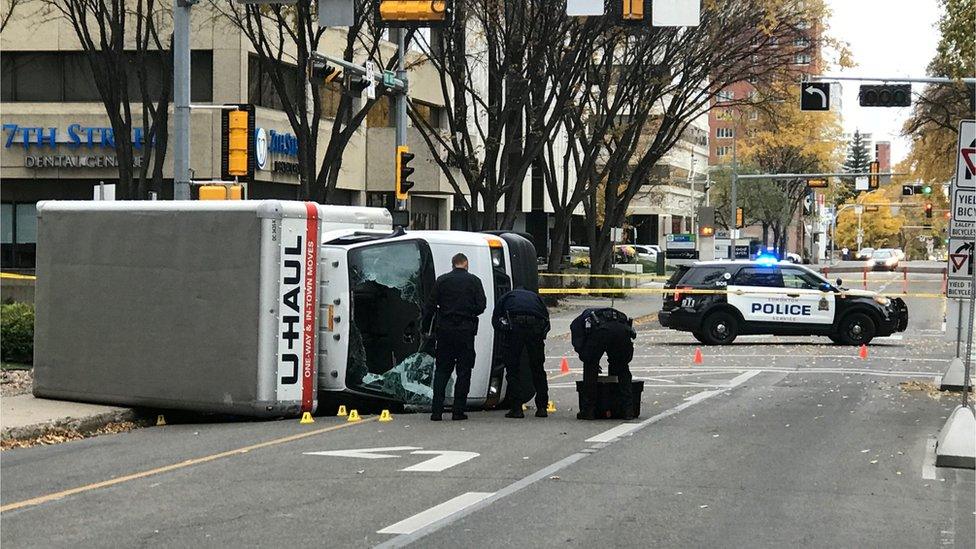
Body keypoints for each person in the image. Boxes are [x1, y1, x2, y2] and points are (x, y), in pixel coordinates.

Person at [422, 253, 487, 421]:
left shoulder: (442, 281)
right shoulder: (474, 281)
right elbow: (481, 305)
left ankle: (437, 411)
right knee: (464, 372)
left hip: (445, 331)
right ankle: (458, 411)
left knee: (442, 370)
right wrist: (468, 311)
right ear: (466, 264)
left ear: (453, 264)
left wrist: (425, 328)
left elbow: (429, 306)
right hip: (466, 332)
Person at [492, 286, 550, 418]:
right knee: (538, 368)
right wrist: (541, 335)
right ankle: (542, 407)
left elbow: (496, 319)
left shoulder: (507, 297)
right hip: (535, 328)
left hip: (514, 329)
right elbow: (546, 319)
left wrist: (504, 332)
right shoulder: (536, 298)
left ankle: (516, 408)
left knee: (512, 369)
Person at [570, 308, 637, 420]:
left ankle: (589, 410)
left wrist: (590, 360)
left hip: (600, 332)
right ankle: (627, 410)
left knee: (590, 369)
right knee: (622, 369)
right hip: (621, 332)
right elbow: (627, 354)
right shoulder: (618, 316)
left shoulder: (578, 324)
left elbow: (580, 345)